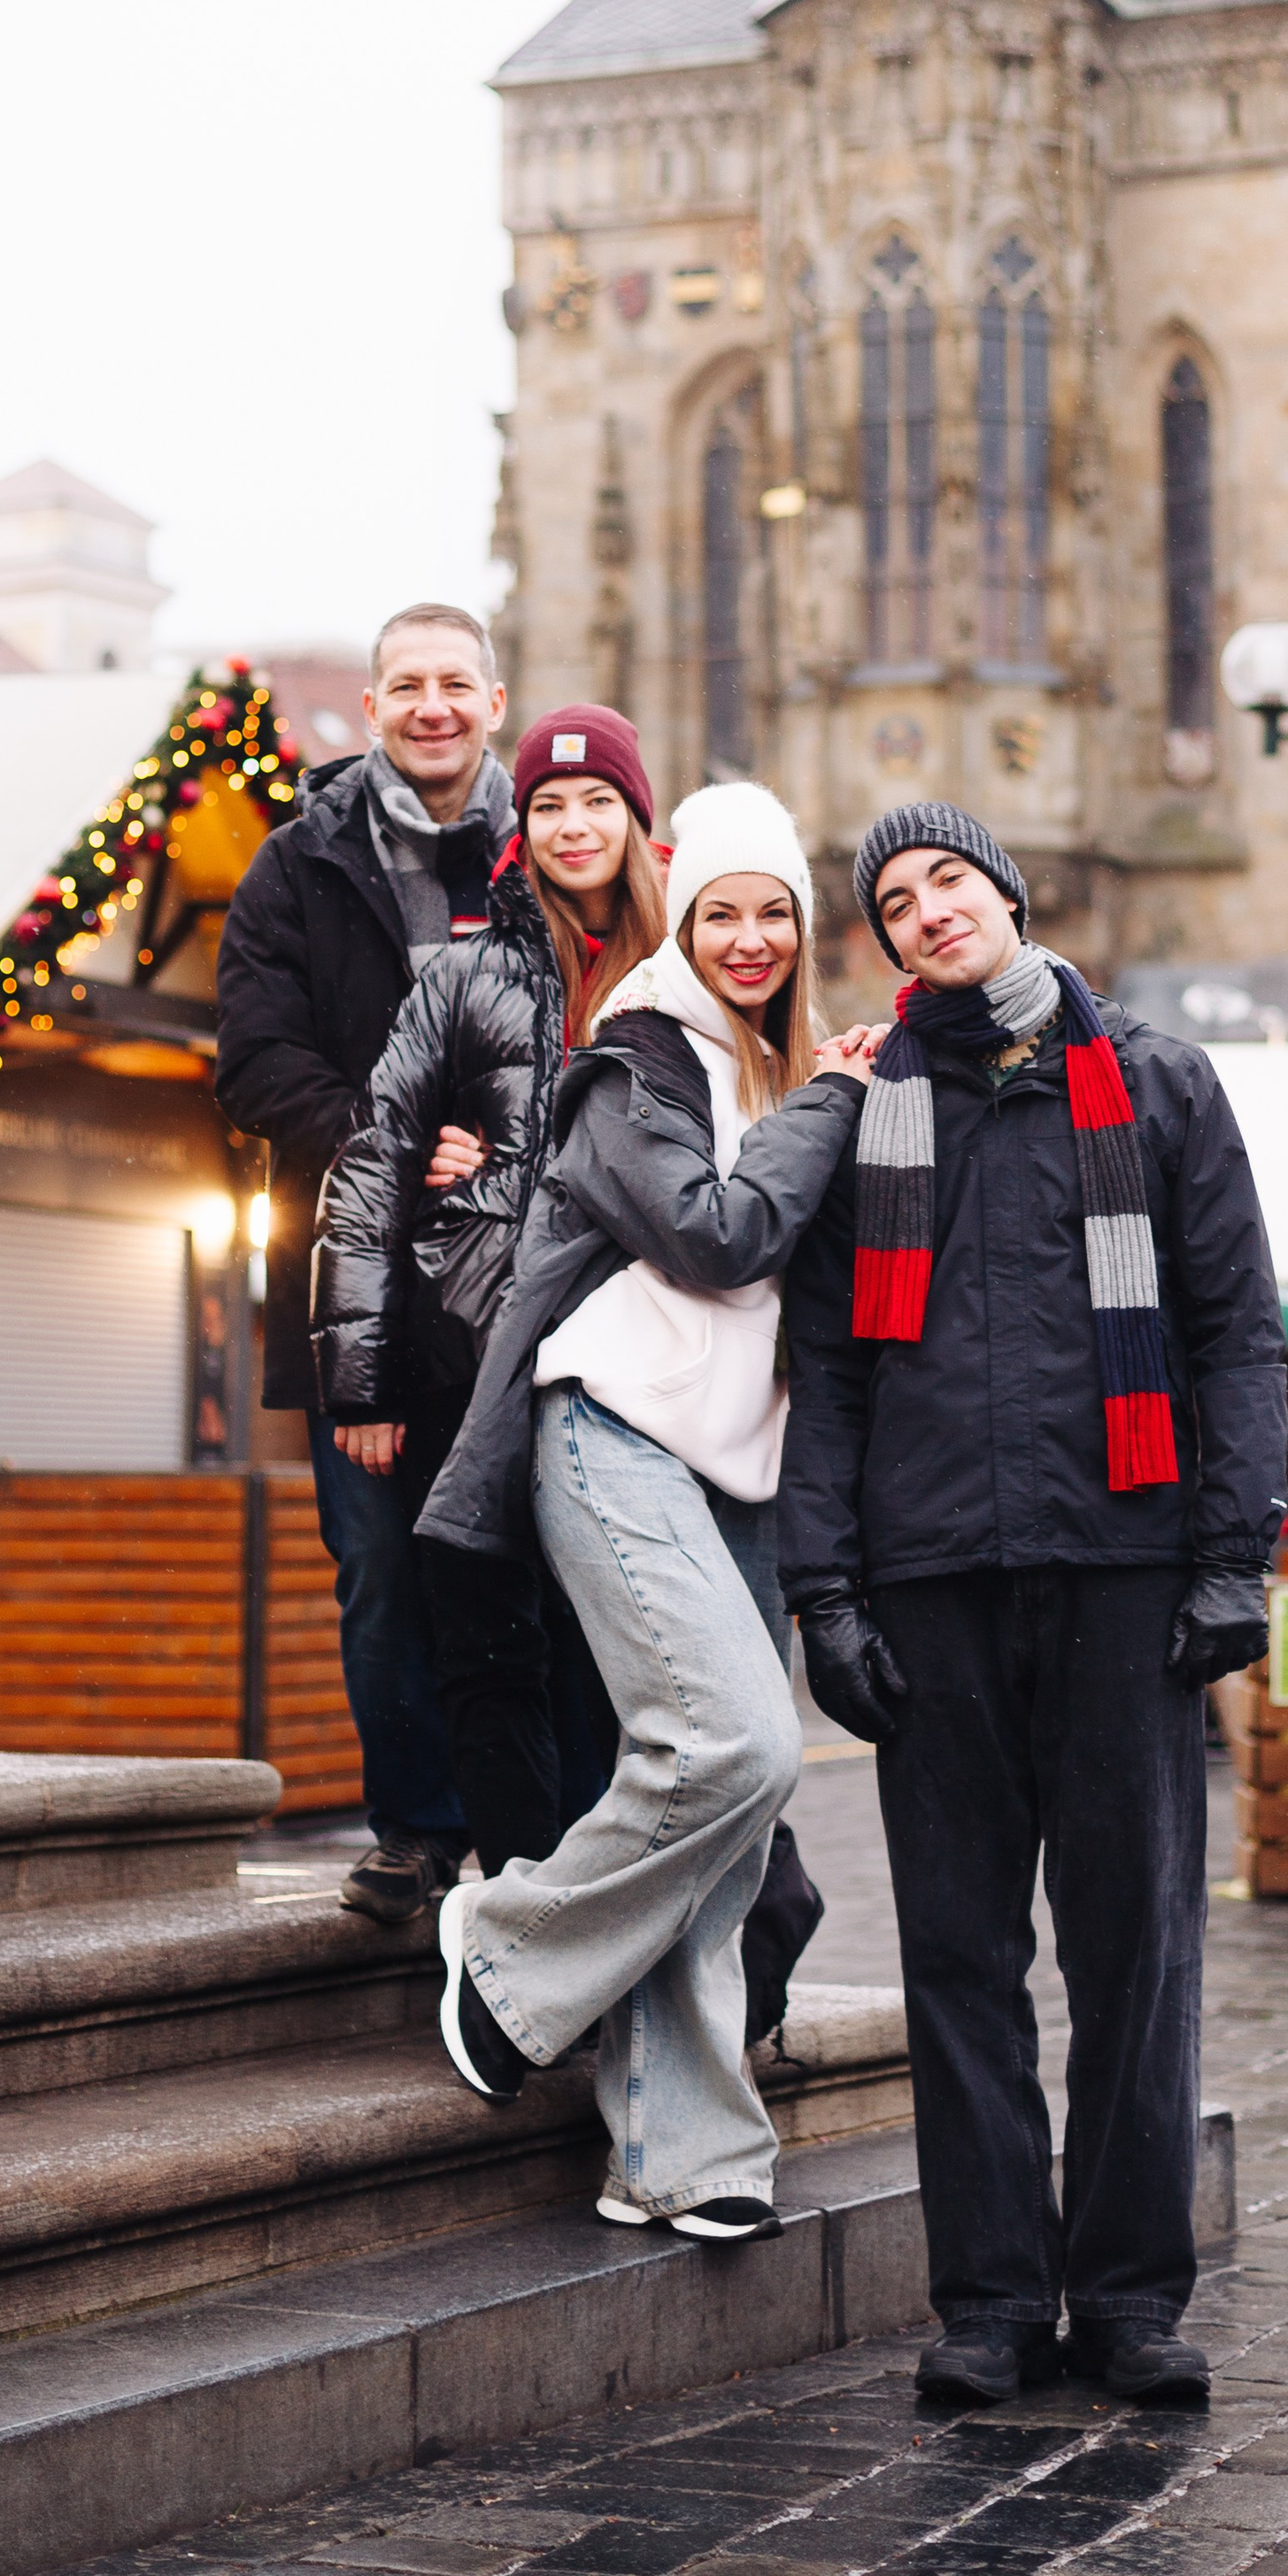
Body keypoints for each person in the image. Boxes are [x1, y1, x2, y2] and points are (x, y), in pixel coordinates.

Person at [778, 802, 1285, 2408]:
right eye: (895, 901)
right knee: (959, 1955)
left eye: (949, 881)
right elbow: (827, 1369)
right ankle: (992, 2299)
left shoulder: (1157, 1081)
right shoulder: (869, 1110)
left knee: (1137, 1951)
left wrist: (1232, 1556)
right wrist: (823, 1590)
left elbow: (1238, 1332)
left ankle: (1131, 2298)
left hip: (1124, 1571)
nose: (928, 911)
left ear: (1004, 893)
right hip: (932, 1579)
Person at [416, 784, 874, 2240]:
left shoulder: (788, 1069)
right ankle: (507, 1949)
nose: (749, 938)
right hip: (611, 1425)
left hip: (741, 1464)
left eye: (774, 913)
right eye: (720, 911)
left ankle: (683, 2154)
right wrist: (833, 1105)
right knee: (736, 1739)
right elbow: (715, 1236)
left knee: (727, 1812)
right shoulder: (637, 1056)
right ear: (681, 920)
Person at [314, 703, 665, 1878]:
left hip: (638, 1370)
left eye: (598, 800)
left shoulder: (689, 976)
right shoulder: (466, 975)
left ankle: (623, 1924)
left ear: (636, 817)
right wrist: (362, 1382)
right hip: (471, 1360)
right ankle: (525, 1923)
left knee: (611, 1662)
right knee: (489, 1653)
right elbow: (372, 1164)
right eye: (550, 803)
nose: (574, 825)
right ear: (525, 825)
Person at [213, 605, 513, 1923]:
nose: (431, 705)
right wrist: (391, 1145)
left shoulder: (553, 849)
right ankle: (418, 1830)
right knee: (382, 1572)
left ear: (493, 700)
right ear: (377, 706)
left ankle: (534, 1842)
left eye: (455, 682)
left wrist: (500, 1144)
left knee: (519, 1569)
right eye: (407, 685)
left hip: (517, 1287)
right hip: (353, 1293)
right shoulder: (299, 861)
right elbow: (254, 1061)